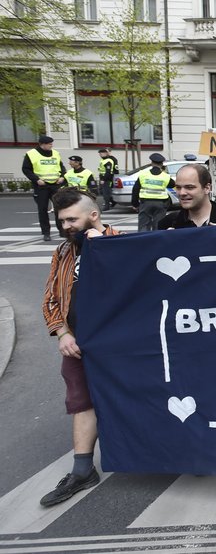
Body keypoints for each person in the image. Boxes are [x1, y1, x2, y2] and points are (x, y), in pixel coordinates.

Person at [40, 188, 121, 507]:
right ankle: (82, 470)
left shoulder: (123, 243)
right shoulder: (62, 252)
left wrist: (107, 250)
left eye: (72, 219)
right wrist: (62, 332)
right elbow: (50, 297)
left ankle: (174, 456)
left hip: (119, 343)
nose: (65, 226)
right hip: (78, 342)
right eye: (61, 221)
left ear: (94, 216)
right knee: (81, 401)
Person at [158, 164, 216, 228]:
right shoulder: (167, 223)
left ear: (207, 188)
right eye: (178, 187)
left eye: (189, 187)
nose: (182, 193)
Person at [23, 135, 67, 241]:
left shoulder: (55, 153)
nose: (51, 146)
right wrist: (36, 179)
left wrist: (62, 176)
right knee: (43, 209)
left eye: (52, 144)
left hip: (55, 184)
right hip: (41, 185)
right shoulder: (31, 154)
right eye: (49, 144)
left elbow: (61, 166)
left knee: (59, 208)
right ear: (42, 144)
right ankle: (46, 232)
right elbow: (26, 169)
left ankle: (62, 230)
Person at [131, 153, 175, 232]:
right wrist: (163, 171)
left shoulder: (143, 175)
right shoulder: (165, 176)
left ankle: (143, 241)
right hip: (161, 204)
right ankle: (157, 242)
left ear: (151, 163)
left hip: (146, 203)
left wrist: (135, 204)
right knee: (159, 225)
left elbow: (135, 189)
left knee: (143, 225)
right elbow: (172, 184)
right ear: (162, 164)